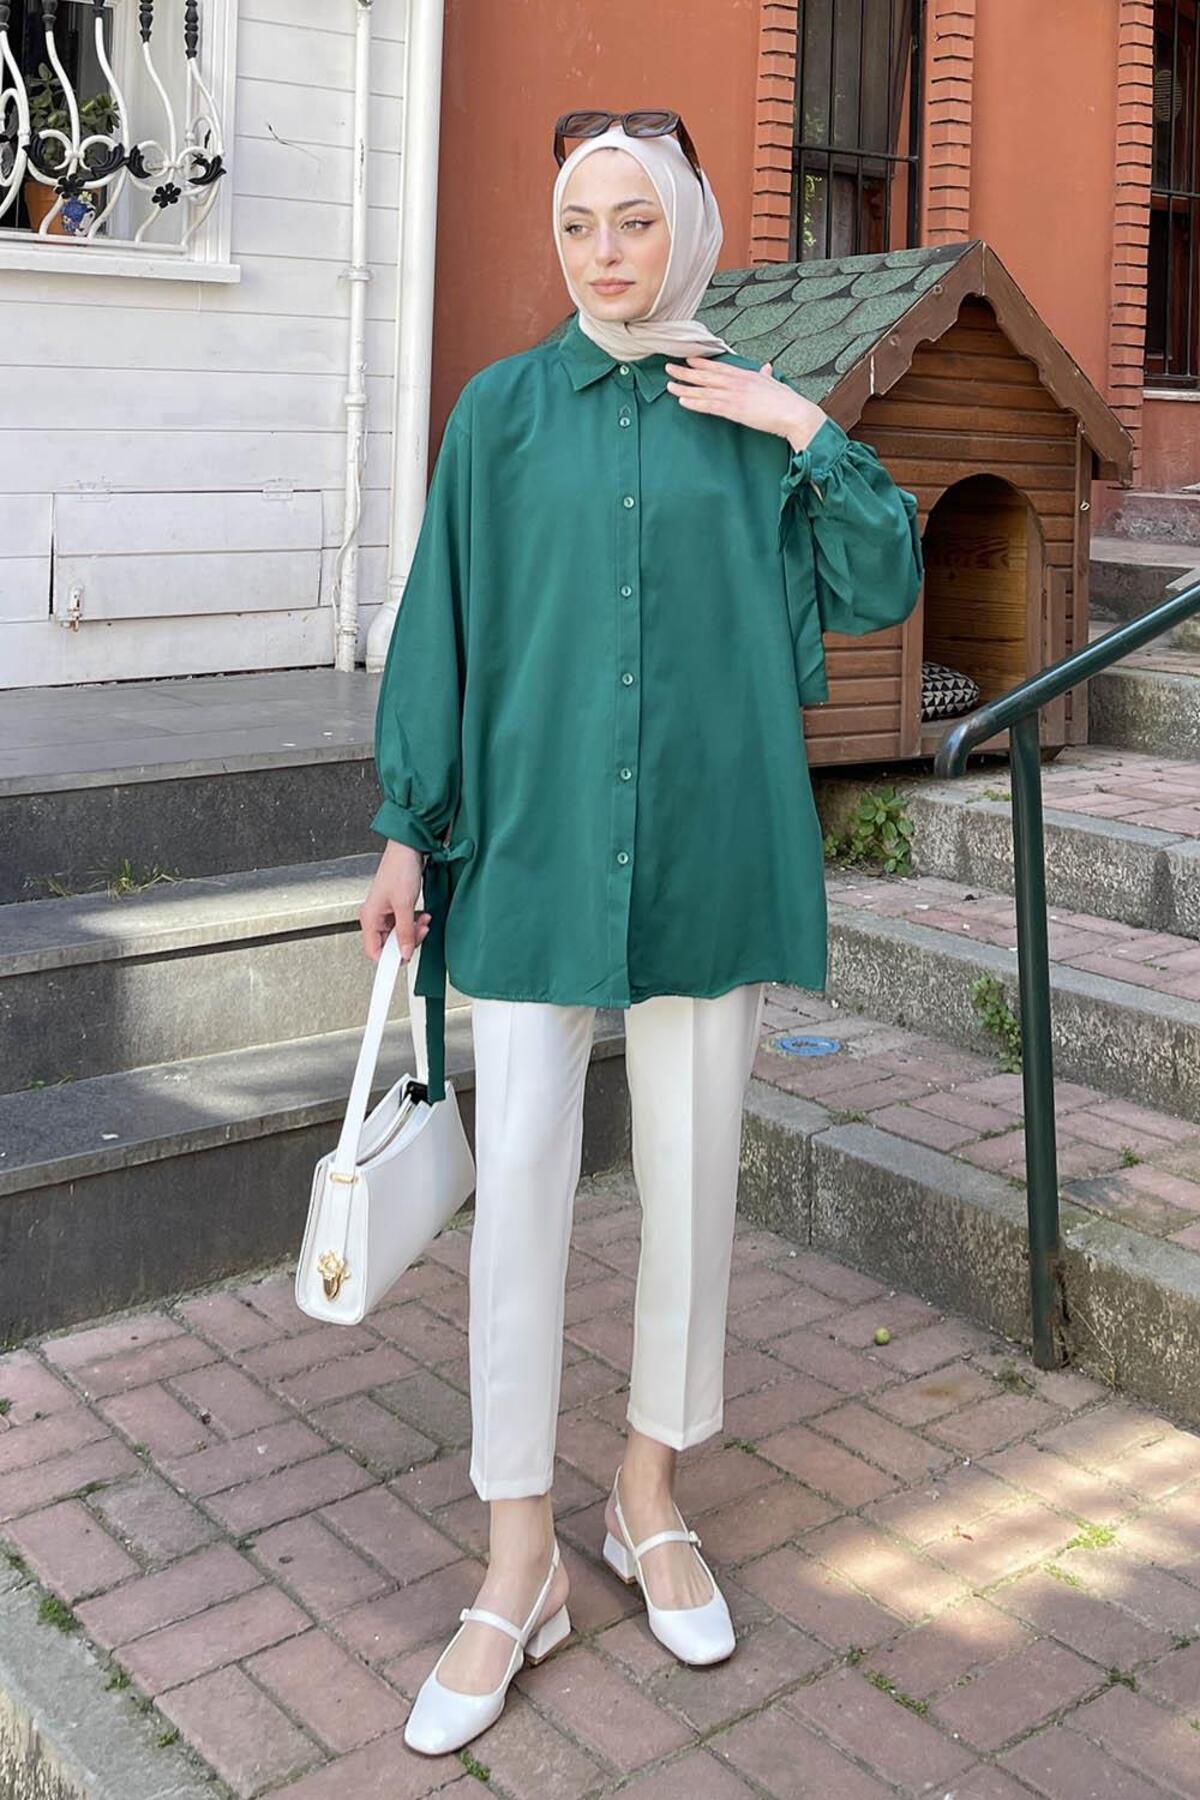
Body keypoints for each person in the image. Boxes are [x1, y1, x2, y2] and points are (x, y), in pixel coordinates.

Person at [358, 110, 924, 1757]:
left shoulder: (745, 410)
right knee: (521, 1196)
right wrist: (405, 824)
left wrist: (801, 420)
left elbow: (882, 580)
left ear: (687, 227)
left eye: (635, 220)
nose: (604, 252)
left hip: (703, 850)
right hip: (531, 855)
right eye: (577, 224)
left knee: (693, 1179)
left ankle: (648, 1493)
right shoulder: (499, 413)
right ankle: (516, 1560)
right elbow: (443, 621)